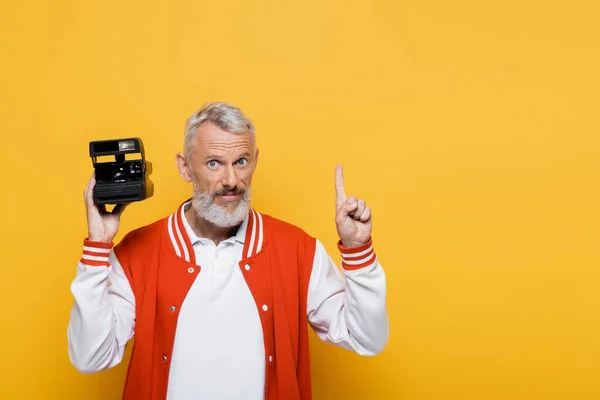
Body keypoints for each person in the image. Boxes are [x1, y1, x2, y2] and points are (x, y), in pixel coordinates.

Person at [67, 102, 389, 400]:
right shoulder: (138, 253)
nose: (231, 180)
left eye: (241, 162)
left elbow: (366, 339)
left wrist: (357, 249)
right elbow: (90, 356)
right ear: (185, 167)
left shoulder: (297, 250)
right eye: (213, 163)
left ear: (255, 161)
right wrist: (98, 247)